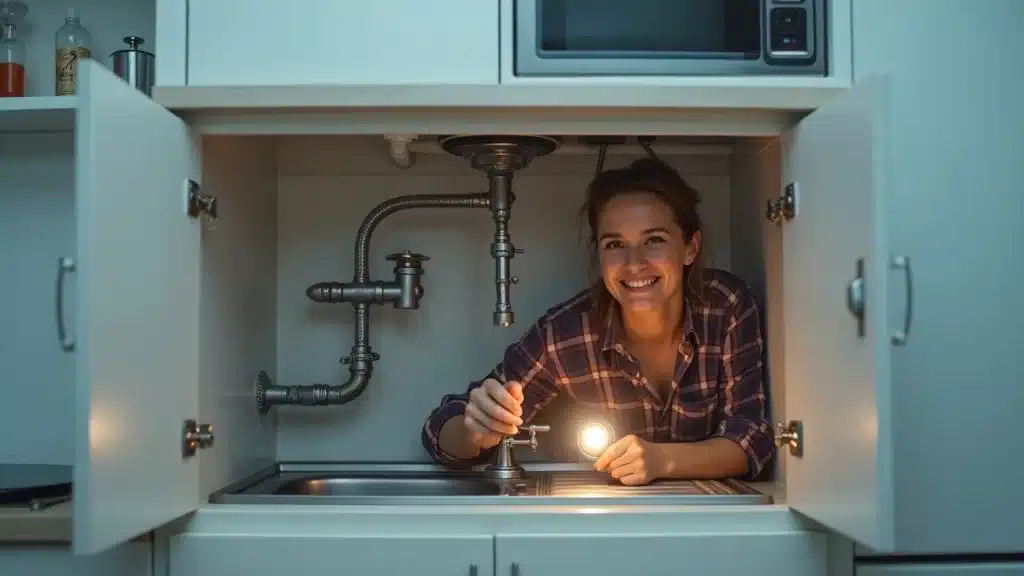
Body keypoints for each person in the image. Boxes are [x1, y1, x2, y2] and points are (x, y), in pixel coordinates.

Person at [421, 158, 774, 484]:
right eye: (615, 244)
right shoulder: (565, 335)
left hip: (714, 523)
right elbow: (439, 432)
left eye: (654, 240)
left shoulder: (725, 306)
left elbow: (752, 441)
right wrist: (476, 430)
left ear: (690, 248)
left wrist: (663, 459)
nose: (634, 263)